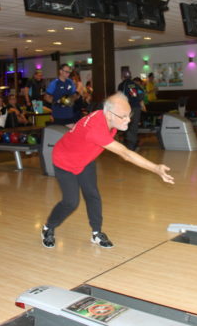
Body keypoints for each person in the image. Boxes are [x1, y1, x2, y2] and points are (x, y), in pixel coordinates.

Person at [41, 92, 174, 249]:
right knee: (71, 202)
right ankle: (48, 228)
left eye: (129, 114)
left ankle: (96, 233)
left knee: (92, 195)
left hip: (85, 159)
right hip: (64, 161)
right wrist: (155, 168)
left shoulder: (106, 116)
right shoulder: (96, 129)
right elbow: (125, 154)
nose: (129, 120)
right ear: (109, 114)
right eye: (123, 116)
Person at [117, 71, 146, 150]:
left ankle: (130, 147)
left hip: (127, 108)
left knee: (126, 126)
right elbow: (142, 93)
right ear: (130, 76)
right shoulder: (135, 84)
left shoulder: (122, 85)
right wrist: (138, 101)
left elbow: (120, 97)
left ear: (122, 77)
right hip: (136, 108)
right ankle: (133, 145)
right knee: (134, 127)